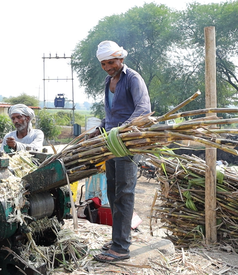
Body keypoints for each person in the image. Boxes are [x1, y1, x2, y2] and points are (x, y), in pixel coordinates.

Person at [90, 40, 151, 263]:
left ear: (121, 59)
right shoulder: (108, 81)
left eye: (111, 62)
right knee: (114, 194)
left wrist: (120, 131)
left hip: (126, 143)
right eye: (104, 63)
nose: (107, 67)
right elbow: (112, 114)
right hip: (110, 144)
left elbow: (144, 110)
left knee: (125, 193)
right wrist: (100, 128)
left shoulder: (133, 78)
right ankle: (119, 238)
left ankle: (121, 248)